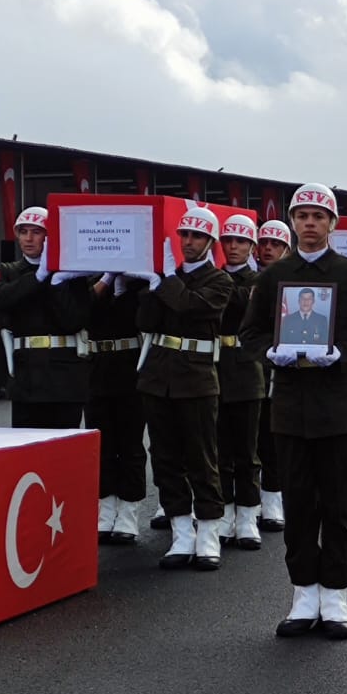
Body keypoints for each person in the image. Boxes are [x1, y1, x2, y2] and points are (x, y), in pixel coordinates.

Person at [240, 182, 347, 640]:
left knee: (336, 505)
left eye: (318, 216)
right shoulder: (271, 277)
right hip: (288, 404)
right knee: (298, 503)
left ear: (331, 224)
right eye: (302, 215)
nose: (309, 223)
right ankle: (303, 593)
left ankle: (336, 595)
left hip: (335, 404)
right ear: (292, 222)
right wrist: (272, 353)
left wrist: (340, 355)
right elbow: (249, 335)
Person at [126, 207, 233, 570]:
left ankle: (208, 532)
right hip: (158, 375)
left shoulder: (220, 281)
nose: (189, 242)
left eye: (198, 236)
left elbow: (191, 307)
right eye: (185, 235)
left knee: (202, 457)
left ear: (210, 242)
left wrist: (166, 280)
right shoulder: (163, 278)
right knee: (165, 457)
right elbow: (145, 322)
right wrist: (144, 289)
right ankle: (180, 531)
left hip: (196, 376)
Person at [0, 206, 94, 429]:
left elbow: (74, 320)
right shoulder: (7, 271)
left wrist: (55, 283)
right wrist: (37, 278)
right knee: (28, 454)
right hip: (27, 375)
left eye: (36, 232)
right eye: (23, 232)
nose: (28, 238)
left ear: (49, 236)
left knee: (64, 450)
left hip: (65, 377)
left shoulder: (70, 274)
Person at [85, 264, 149, 547]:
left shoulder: (140, 282)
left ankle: (129, 511)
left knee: (131, 443)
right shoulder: (87, 278)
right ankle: (106, 507)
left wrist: (128, 285)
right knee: (102, 443)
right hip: (97, 364)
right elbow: (79, 314)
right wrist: (104, 281)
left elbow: (146, 320)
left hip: (130, 364)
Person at [215, 213, 267, 551]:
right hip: (215, 367)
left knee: (247, 451)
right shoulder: (214, 277)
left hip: (247, 368)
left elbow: (238, 303)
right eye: (227, 241)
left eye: (240, 242)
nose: (233, 247)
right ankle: (224, 513)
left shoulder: (260, 280)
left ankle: (248, 514)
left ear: (251, 246)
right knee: (218, 450)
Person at [255, 219, 293, 534]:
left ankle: (272, 499)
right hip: (245, 366)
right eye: (264, 243)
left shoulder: (295, 280)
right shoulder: (248, 280)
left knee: (272, 439)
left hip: (279, 369)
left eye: (275, 244)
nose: (268, 249)